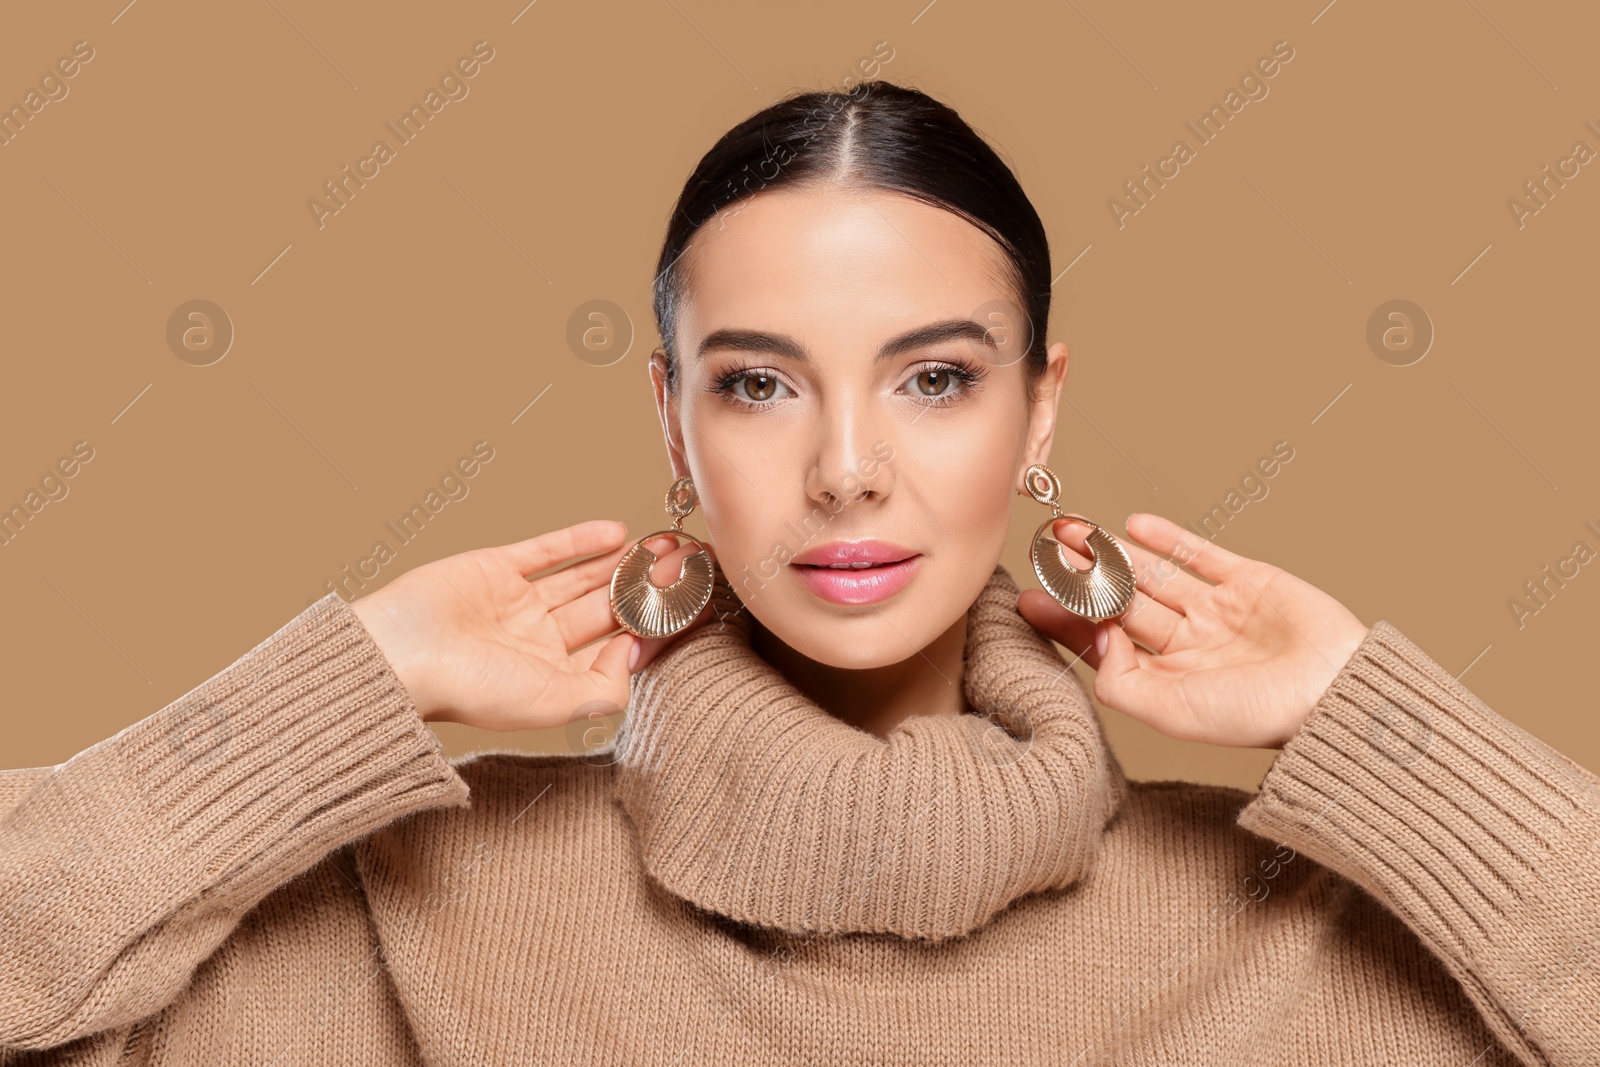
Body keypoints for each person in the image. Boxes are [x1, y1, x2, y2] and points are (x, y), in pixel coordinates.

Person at [2, 80, 1596, 1066]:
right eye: (759, 382)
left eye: (935, 378)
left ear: (1041, 407)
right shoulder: (410, 911)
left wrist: (1376, 727)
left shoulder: (1306, 935)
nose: (845, 465)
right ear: (673, 423)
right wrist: (349, 683)